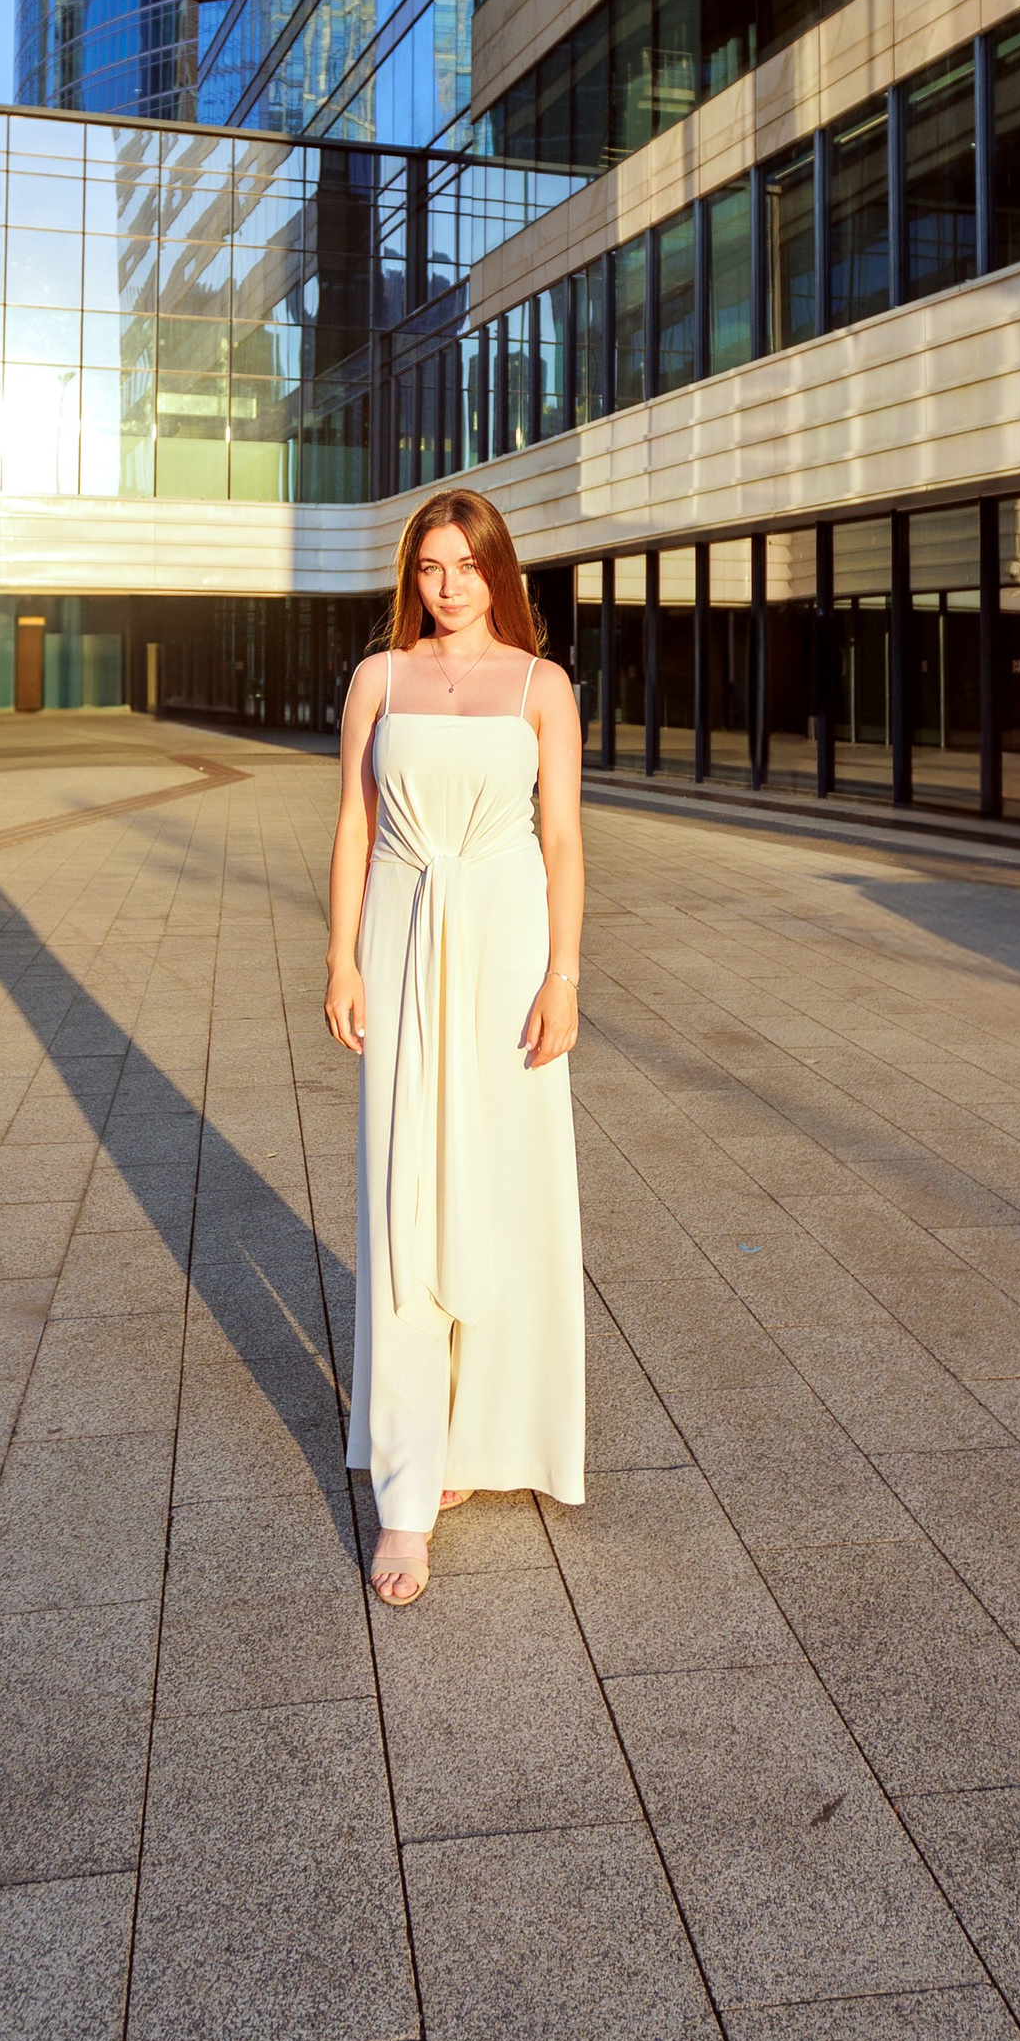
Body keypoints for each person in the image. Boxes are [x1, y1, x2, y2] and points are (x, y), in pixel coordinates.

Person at [323, 488, 587, 1606]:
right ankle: (404, 1490)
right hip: (399, 932)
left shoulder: (542, 686)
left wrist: (564, 975)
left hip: (506, 945)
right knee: (403, 1193)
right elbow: (350, 820)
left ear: (497, 570)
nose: (446, 584)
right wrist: (340, 959)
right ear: (411, 575)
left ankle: (479, 1437)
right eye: (429, 566)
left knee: (504, 1185)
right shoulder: (375, 679)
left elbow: (564, 837)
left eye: (464, 564)